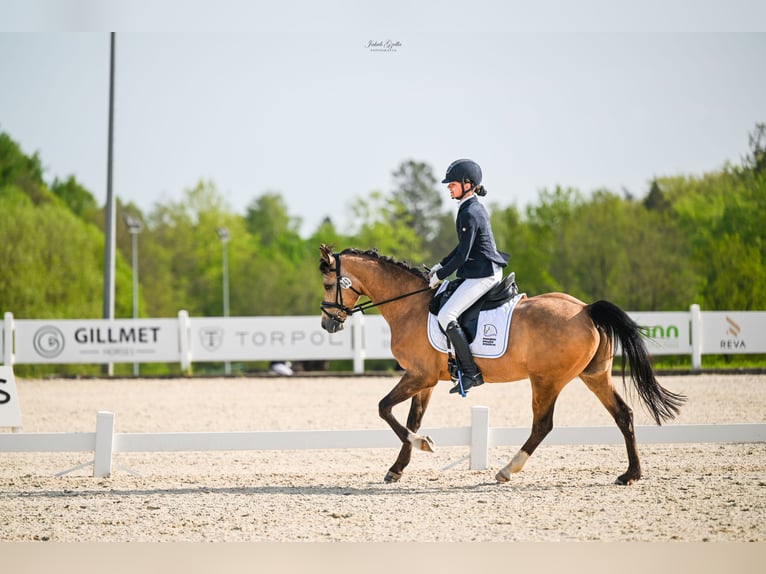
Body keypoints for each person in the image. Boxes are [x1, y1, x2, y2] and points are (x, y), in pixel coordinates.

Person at [428, 159, 509, 394]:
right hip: (478, 270)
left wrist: (440, 276)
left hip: (484, 274)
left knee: (446, 314)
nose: (448, 188)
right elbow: (462, 247)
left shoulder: (470, 211)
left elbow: (463, 255)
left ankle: (471, 372)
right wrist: (440, 265)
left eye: (452, 184)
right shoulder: (468, 207)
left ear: (468, 184)